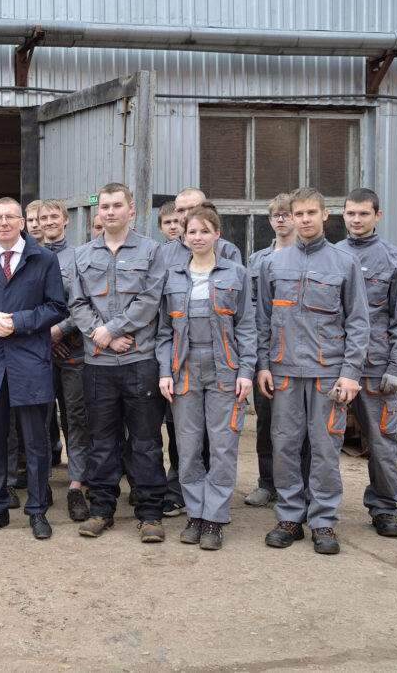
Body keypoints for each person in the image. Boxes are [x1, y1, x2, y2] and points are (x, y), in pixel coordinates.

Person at [257, 187, 369, 555]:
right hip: (284, 371)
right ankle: (289, 518)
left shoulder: (344, 263)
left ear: (325, 215)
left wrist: (350, 373)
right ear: (290, 217)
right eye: (298, 213)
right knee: (285, 446)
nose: (304, 219)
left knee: (325, 448)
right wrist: (263, 366)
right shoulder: (273, 264)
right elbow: (262, 321)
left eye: (311, 213)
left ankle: (323, 521)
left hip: (328, 374)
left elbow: (358, 323)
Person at [68, 183, 170, 543]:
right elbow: (77, 303)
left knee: (145, 441)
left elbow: (150, 300)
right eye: (105, 207)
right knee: (101, 440)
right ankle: (101, 509)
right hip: (99, 363)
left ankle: (150, 513)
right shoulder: (82, 254)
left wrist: (111, 329)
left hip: (140, 360)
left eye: (117, 205)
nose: (110, 212)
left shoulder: (151, 251)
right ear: (98, 213)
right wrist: (105, 337)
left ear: (131, 210)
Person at [0, 199, 67, 539]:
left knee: (35, 443)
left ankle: (37, 510)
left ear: (22, 222)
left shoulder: (44, 259)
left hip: (30, 362)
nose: (3, 222)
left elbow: (57, 307)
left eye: (10, 217)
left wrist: (18, 322)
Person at [156, 207, 256, 550]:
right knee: (187, 447)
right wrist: (165, 371)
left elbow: (247, 327)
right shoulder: (172, 276)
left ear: (217, 234)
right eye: (191, 232)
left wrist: (246, 371)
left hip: (225, 370)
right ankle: (195, 514)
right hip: (183, 370)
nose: (197, 237)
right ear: (183, 237)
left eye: (204, 231)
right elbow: (163, 332)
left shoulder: (237, 273)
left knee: (223, 446)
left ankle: (214, 519)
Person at [335, 188, 397, 538]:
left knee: (382, 444)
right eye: (351, 213)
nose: (357, 220)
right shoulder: (331, 256)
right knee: (320, 445)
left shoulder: (394, 260)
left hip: (376, 368)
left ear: (377, 216)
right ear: (342, 215)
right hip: (333, 366)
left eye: (364, 214)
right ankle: (318, 507)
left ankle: (384, 508)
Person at [38, 200, 90, 521]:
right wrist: (45, 336)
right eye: (43, 217)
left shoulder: (79, 257)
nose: (49, 221)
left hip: (74, 352)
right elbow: (25, 303)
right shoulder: (31, 257)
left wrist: (60, 331)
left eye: (54, 216)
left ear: (65, 219)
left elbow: (84, 302)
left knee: (76, 417)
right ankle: (40, 482)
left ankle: (76, 484)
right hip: (40, 354)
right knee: (41, 419)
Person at [244, 194, 296, 507]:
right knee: (265, 421)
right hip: (265, 352)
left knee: (297, 425)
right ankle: (267, 483)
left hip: (299, 352)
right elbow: (250, 306)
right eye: (276, 215)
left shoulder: (307, 257)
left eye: (286, 214)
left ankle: (296, 486)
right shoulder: (258, 260)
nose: (281, 219)